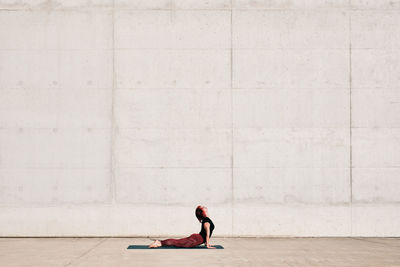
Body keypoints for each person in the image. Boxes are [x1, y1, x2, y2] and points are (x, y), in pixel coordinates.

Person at [148, 205, 216, 249]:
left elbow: (205, 234)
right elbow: (207, 234)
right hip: (195, 240)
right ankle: (159, 243)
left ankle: (160, 242)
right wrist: (207, 245)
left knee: (177, 242)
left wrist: (206, 243)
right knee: (177, 242)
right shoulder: (206, 221)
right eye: (202, 207)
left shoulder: (206, 220)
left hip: (197, 238)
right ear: (203, 212)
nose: (204, 206)